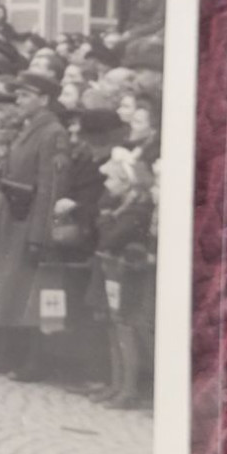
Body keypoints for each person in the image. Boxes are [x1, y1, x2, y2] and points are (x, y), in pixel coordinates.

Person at [0, 70, 71, 381]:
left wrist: (40, 234)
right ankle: (6, 354)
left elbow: (52, 188)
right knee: (5, 289)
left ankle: (33, 361)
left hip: (28, 222)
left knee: (30, 293)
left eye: (26, 95)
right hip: (11, 217)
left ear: (44, 99)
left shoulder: (53, 133)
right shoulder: (29, 129)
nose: (19, 100)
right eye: (19, 95)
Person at [85, 150, 156, 408]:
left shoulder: (135, 211)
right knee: (114, 329)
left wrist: (103, 220)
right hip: (112, 273)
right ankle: (117, 384)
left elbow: (109, 239)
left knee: (124, 329)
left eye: (112, 180)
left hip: (125, 277)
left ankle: (129, 389)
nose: (106, 185)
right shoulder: (121, 207)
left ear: (126, 184)